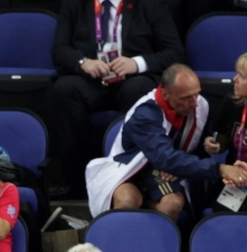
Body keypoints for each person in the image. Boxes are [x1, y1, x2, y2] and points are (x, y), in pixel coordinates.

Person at [51, 0, 184, 199]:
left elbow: (175, 52)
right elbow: (59, 50)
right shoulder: (75, 4)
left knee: (138, 90)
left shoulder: (150, 5)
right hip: (92, 80)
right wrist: (83, 62)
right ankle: (76, 182)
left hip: (132, 79)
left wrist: (137, 63)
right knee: (64, 89)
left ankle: (135, 179)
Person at [87, 64, 247, 220]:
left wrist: (207, 146)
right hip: (129, 168)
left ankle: (157, 235)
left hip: (164, 171)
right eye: (186, 98)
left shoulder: (201, 107)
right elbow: (165, 157)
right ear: (165, 94)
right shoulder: (145, 114)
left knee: (171, 203)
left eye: (196, 94)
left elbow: (198, 153)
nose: (194, 103)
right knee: (128, 200)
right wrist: (220, 169)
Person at [204, 53, 247, 212]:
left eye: (242, 76)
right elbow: (222, 136)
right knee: (220, 213)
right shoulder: (232, 103)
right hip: (234, 177)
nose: (234, 79)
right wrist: (216, 145)